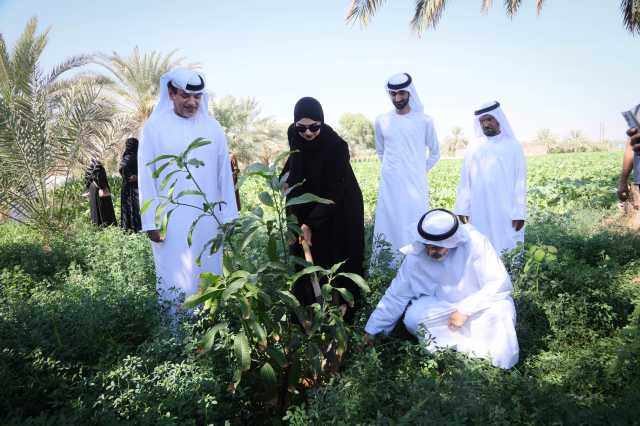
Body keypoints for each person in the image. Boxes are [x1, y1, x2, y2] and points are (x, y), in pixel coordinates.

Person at [364, 208, 519, 369]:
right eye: (427, 246)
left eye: (436, 248)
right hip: (443, 307)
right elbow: (396, 296)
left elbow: (499, 282)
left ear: (453, 242)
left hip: (479, 304)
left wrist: (466, 310)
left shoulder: (476, 243)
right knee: (413, 318)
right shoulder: (416, 257)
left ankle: (493, 365)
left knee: (501, 311)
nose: (430, 252)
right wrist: (372, 332)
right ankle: (448, 355)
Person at [138, 68, 239, 308]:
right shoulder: (154, 128)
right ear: (171, 94)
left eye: (197, 97)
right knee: (173, 277)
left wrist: (229, 215)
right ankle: (175, 337)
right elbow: (146, 176)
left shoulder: (213, 128)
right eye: (185, 96)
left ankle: (210, 335)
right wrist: (150, 221)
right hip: (170, 221)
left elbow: (224, 174)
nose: (192, 103)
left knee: (209, 273)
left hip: (209, 219)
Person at [281, 97, 365, 323]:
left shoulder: (336, 147)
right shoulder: (294, 135)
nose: (308, 133)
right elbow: (293, 165)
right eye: (302, 128)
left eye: (314, 127)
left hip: (340, 209)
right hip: (306, 205)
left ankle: (340, 318)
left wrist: (311, 223)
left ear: (322, 123)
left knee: (335, 259)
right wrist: (283, 183)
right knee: (304, 259)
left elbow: (334, 191)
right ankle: (308, 318)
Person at [371, 72, 440, 265]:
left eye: (401, 93)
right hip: (390, 185)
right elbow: (381, 152)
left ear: (410, 93)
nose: (397, 98)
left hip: (415, 186)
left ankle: (416, 267)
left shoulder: (425, 121)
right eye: (393, 94)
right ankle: (385, 269)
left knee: (414, 223)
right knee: (389, 224)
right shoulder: (381, 120)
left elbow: (435, 153)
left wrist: (417, 171)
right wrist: (394, 172)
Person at [454, 101, 527, 255]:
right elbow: (465, 180)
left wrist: (519, 212)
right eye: (482, 121)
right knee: (480, 244)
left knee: (508, 244)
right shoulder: (474, 146)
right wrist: (462, 208)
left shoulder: (513, 146)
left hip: (506, 209)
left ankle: (512, 276)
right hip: (479, 207)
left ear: (498, 119)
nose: (486, 124)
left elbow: (520, 181)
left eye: (489, 119)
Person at [84, 158, 117, 227]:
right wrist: (103, 187)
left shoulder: (90, 167)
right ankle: (106, 226)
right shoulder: (100, 167)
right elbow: (101, 179)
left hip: (92, 188)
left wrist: (88, 189)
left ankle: (96, 227)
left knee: (95, 210)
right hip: (100, 189)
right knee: (104, 210)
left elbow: (87, 180)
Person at [119, 137, 142, 232]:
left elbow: (121, 169)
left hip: (128, 186)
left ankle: (129, 227)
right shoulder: (137, 156)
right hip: (134, 186)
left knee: (130, 206)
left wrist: (129, 176)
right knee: (134, 206)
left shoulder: (127, 157)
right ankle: (136, 227)